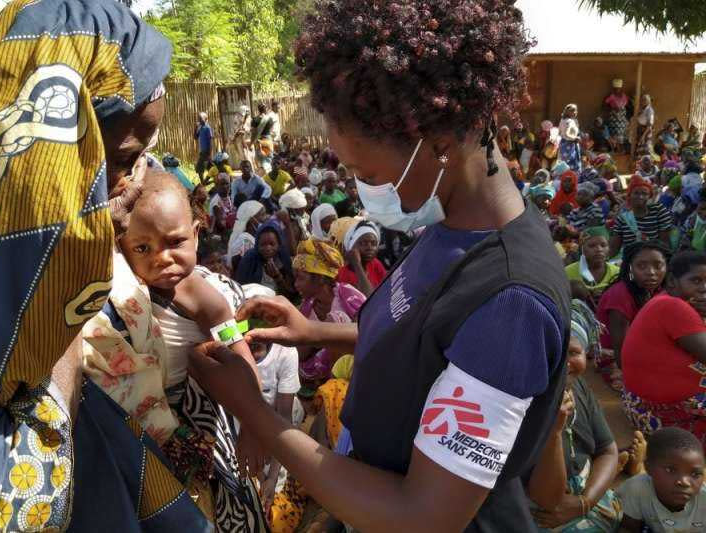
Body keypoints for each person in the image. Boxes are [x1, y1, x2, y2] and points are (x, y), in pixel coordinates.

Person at [186, 1, 571, 531]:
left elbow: (422, 515)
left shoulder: (510, 304)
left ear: (438, 146)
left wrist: (255, 412)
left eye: (363, 171)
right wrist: (314, 332)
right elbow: (423, 349)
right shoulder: (448, 223)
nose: (359, 189)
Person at [0, 0, 225, 530]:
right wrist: (68, 294)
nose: (135, 187)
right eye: (122, 161)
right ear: (38, 161)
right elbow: (25, 505)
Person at [84, 168, 267, 529]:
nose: (161, 258)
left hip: (197, 433)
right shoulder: (123, 293)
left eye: (174, 242)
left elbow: (239, 353)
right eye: (142, 248)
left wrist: (254, 426)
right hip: (140, 434)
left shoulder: (199, 294)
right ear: (120, 246)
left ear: (196, 236)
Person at [527, 301, 622, 532]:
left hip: (581, 492)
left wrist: (585, 502)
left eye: (573, 353)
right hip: (538, 505)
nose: (562, 364)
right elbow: (547, 502)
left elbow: (608, 450)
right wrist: (554, 431)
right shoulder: (521, 400)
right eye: (551, 352)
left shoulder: (578, 387)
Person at [621, 252, 706, 444]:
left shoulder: (668, 300)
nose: (704, 288)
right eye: (696, 280)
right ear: (672, 282)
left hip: (640, 404)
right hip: (661, 412)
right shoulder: (674, 307)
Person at [595, 241, 668, 392]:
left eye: (658, 266)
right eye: (641, 266)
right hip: (614, 357)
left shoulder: (658, 290)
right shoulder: (620, 295)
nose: (651, 272)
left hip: (642, 349)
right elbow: (621, 351)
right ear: (630, 268)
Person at [291, 239, 366, 384]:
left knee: (337, 319)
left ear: (319, 279)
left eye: (301, 279)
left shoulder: (346, 294)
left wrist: (324, 332)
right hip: (314, 370)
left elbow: (368, 328)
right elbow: (299, 354)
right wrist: (318, 335)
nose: (296, 285)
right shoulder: (307, 306)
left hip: (352, 365)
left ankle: (337, 384)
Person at [617, 427, 706, 532]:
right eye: (671, 470)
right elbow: (628, 528)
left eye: (695, 474)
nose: (684, 482)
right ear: (649, 467)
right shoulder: (636, 489)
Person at [611, 175, 674, 257]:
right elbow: (614, 248)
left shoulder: (658, 211)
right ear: (629, 196)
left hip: (654, 257)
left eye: (644, 194)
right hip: (631, 259)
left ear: (649, 197)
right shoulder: (622, 219)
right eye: (636, 193)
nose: (640, 197)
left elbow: (665, 243)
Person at [234, 221, 296, 297]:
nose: (268, 248)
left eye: (272, 244)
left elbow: (291, 295)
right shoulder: (249, 260)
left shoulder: (284, 259)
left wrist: (277, 277)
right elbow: (242, 291)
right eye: (263, 244)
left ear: (279, 244)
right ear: (257, 245)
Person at [565, 226, 620, 305]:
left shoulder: (617, 273)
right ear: (582, 249)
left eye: (603, 245)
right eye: (592, 246)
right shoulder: (567, 273)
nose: (599, 249)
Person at [337, 220, 388, 296]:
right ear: (352, 247)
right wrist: (357, 264)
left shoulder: (374, 263)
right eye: (363, 243)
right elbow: (368, 299)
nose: (369, 247)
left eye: (374, 243)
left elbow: (388, 285)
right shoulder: (344, 275)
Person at [228, 199, 267, 266]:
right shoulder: (245, 241)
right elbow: (246, 266)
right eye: (262, 215)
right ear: (251, 220)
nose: (266, 217)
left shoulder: (253, 235)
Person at [604, 78, 629, 153]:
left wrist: (621, 110)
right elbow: (605, 104)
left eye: (618, 89)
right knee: (615, 133)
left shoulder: (624, 96)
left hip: (621, 117)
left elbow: (626, 104)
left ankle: (620, 149)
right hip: (614, 118)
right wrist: (613, 108)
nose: (617, 90)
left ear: (621, 89)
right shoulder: (612, 96)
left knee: (621, 133)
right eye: (615, 89)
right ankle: (615, 149)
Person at [559, 104, 582, 173]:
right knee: (570, 162)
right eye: (572, 111)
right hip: (569, 145)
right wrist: (575, 138)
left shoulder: (565, 120)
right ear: (567, 112)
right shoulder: (568, 121)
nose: (574, 112)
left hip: (567, 144)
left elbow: (561, 132)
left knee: (566, 162)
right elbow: (566, 133)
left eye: (575, 111)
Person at [231, 104, 255, 168]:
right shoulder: (237, 118)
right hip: (240, 140)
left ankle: (251, 171)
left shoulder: (249, 119)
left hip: (248, 140)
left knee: (250, 157)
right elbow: (235, 130)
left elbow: (251, 129)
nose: (247, 114)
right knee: (243, 158)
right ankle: (247, 171)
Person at [194, 111, 213, 181]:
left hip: (206, 151)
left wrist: (210, 153)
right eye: (198, 118)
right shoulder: (200, 128)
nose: (198, 119)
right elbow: (195, 137)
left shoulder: (207, 128)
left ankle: (204, 182)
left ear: (205, 118)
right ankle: (214, 179)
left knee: (199, 168)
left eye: (200, 118)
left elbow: (210, 141)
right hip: (202, 151)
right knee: (209, 167)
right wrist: (196, 128)